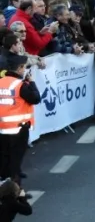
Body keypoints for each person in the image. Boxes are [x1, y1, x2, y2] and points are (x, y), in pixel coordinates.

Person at [0, 55, 40, 186]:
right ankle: (15, 191)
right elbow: (35, 98)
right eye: (24, 67)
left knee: (4, 159)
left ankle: (4, 187)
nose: (25, 70)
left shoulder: (1, 82)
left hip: (2, 128)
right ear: (19, 68)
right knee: (15, 161)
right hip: (18, 128)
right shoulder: (20, 85)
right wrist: (32, 82)